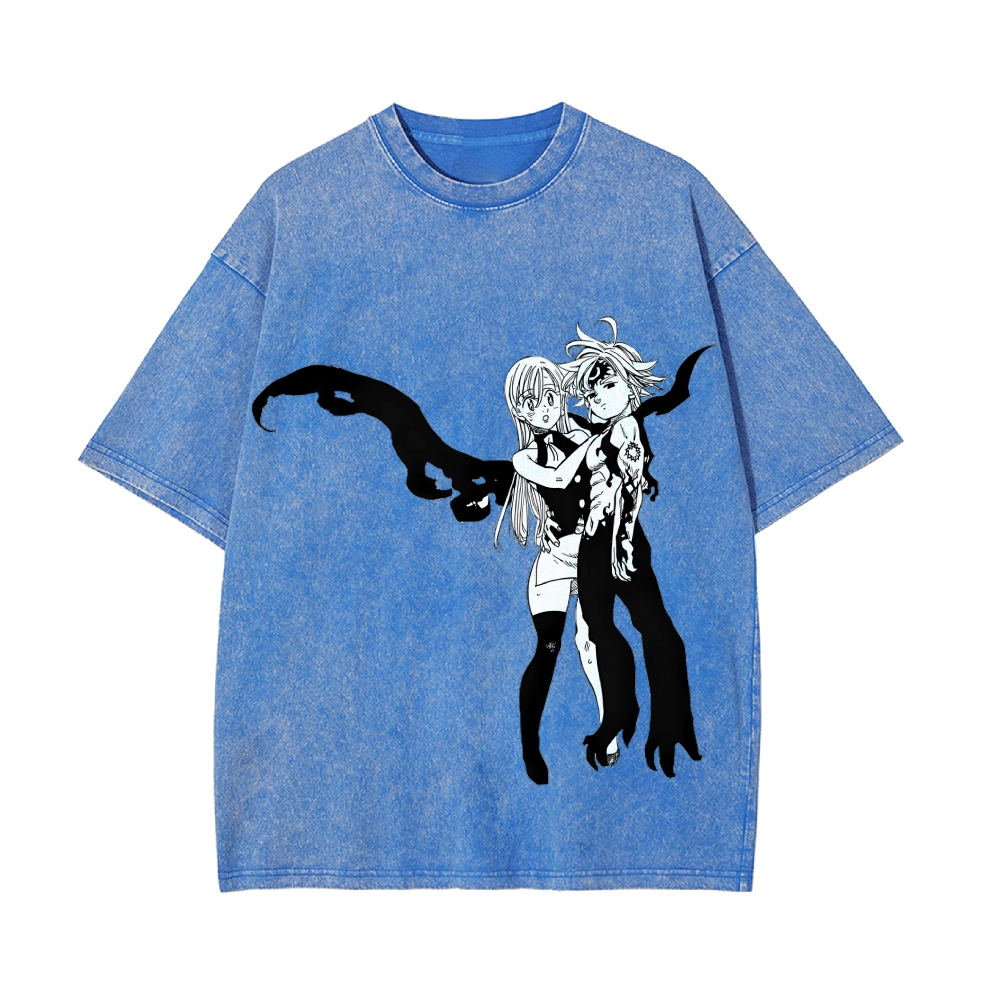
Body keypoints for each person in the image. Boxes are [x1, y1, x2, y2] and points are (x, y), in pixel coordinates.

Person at [561, 319, 702, 778]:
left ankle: (658, 719)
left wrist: (621, 540)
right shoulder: (601, 433)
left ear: (630, 386)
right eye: (592, 392)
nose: (599, 397)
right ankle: (621, 717)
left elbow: (630, 488)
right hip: (592, 544)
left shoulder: (625, 429)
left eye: (609, 385)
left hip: (615, 541)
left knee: (648, 625)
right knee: (602, 629)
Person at [496, 356, 620, 784]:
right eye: (532, 403)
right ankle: (530, 746)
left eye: (550, 397)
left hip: (590, 555)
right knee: (548, 647)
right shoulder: (525, 457)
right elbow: (558, 479)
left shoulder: (586, 433)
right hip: (554, 559)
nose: (544, 409)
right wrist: (592, 444)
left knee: (592, 641)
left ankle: (608, 728)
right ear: (520, 411)